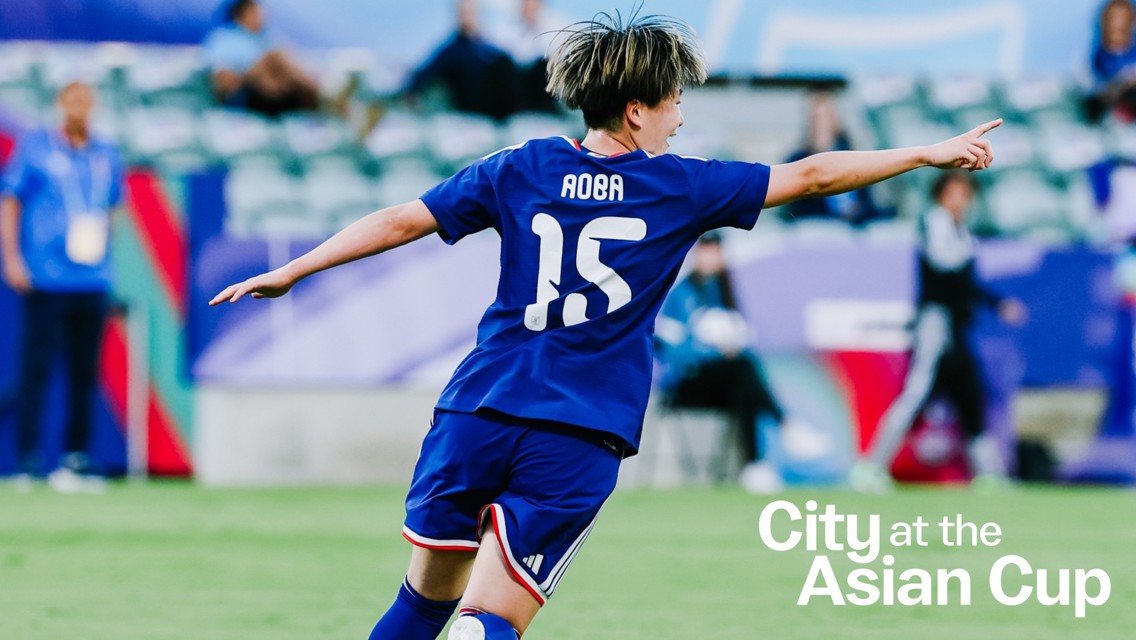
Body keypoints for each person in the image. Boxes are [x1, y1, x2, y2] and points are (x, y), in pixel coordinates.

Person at [210, 12, 999, 639]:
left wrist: (296, 268)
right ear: (635, 110)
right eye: (674, 103)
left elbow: (398, 221)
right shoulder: (681, 187)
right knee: (489, 620)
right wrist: (927, 153)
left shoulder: (519, 166)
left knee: (423, 600)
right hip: (576, 430)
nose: (680, 120)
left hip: (475, 412)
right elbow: (817, 172)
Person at [851, 172, 1026, 494]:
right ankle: (870, 466)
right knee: (916, 393)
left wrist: (994, 304)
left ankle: (989, 473)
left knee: (969, 394)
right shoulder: (935, 225)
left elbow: (964, 281)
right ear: (940, 196)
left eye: (966, 194)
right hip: (935, 325)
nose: (961, 201)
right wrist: (995, 301)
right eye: (954, 194)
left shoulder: (961, 232)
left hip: (957, 327)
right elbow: (949, 273)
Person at [0, 81, 124, 493]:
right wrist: (14, 259)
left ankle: (76, 459)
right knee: (36, 369)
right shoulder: (37, 149)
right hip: (45, 276)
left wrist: (108, 252)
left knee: (84, 372)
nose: (79, 107)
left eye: (86, 100)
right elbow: (11, 201)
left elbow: (113, 208)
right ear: (59, 104)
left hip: (91, 278)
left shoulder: (106, 154)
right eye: (72, 99)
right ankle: (28, 459)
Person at [655, 233, 791, 494]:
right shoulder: (681, 294)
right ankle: (782, 426)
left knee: (743, 382)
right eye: (706, 251)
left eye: (715, 251)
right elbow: (671, 349)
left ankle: (754, 466)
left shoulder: (725, 292)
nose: (710, 257)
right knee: (741, 370)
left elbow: (742, 339)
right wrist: (713, 351)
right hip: (688, 382)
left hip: (722, 380)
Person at [203, 0, 322, 117]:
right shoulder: (224, 38)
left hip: (276, 92)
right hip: (243, 94)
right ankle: (312, 96)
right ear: (239, 15)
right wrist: (258, 70)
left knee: (281, 55)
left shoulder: (267, 38)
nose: (262, 17)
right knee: (273, 57)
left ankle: (309, 95)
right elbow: (223, 80)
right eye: (255, 13)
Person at [403, 0, 519, 121]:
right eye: (464, 14)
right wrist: (413, 91)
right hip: (472, 106)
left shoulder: (489, 48)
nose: (467, 18)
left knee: (507, 63)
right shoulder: (451, 50)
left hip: (499, 104)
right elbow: (425, 71)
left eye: (471, 14)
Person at [783, 91, 884, 224]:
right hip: (818, 230)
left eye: (828, 116)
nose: (823, 123)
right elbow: (797, 209)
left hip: (856, 229)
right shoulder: (798, 160)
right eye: (818, 117)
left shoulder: (853, 156)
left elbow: (867, 202)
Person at [487, 0, 561, 113]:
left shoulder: (553, 30)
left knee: (544, 65)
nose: (529, 8)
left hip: (539, 86)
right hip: (515, 86)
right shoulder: (506, 29)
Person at [1087, 0, 1136, 123]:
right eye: (1114, 17)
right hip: (1111, 103)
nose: (1118, 21)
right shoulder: (1100, 56)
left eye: (1123, 17)